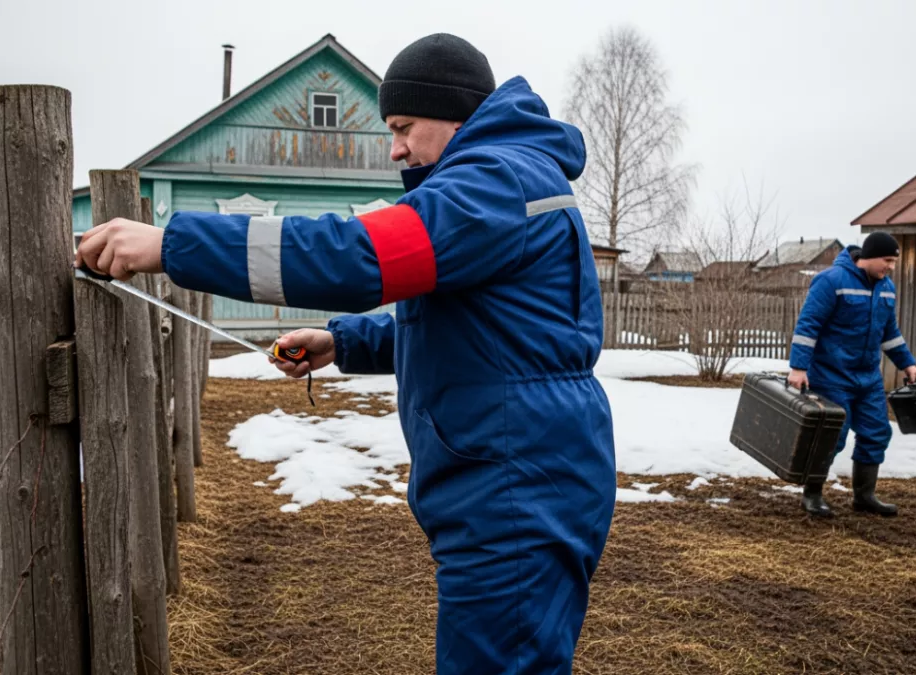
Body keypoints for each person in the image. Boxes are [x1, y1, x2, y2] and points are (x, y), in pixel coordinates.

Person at [76, 33, 617, 674]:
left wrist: (173, 245)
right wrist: (344, 341)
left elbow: (354, 257)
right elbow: (481, 335)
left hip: (514, 493)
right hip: (522, 477)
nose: (395, 149)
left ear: (453, 113)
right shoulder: (507, 178)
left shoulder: (493, 185)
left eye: (403, 127)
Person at [786, 232, 916, 519]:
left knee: (877, 433)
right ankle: (812, 495)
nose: (891, 267)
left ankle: (864, 496)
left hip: (868, 378)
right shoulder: (831, 281)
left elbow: (889, 334)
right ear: (869, 257)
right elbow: (808, 325)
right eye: (887, 260)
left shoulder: (886, 288)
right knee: (832, 437)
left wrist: (907, 364)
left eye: (894, 261)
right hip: (831, 376)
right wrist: (798, 368)